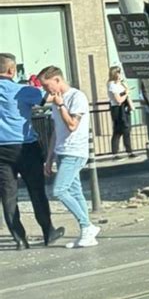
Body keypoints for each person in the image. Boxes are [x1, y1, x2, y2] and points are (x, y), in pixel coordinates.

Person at [0, 53, 64, 250]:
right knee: (36, 191)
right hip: (25, 146)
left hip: (1, 149)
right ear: (12, 70)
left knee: (8, 195)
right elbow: (48, 98)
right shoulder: (23, 90)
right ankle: (48, 232)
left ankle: (19, 238)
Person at [38, 65, 100, 249]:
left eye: (47, 85)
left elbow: (72, 125)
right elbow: (57, 132)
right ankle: (87, 232)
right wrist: (49, 158)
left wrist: (61, 105)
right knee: (75, 191)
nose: (46, 90)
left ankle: (87, 225)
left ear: (57, 80)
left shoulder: (76, 97)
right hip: (62, 151)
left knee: (59, 191)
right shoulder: (58, 100)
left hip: (75, 151)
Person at [107, 66, 135, 160]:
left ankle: (129, 150)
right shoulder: (112, 85)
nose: (120, 74)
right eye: (118, 72)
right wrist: (126, 93)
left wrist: (125, 86)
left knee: (126, 129)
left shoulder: (120, 84)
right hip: (117, 109)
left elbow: (126, 92)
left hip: (124, 108)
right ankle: (116, 152)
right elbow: (118, 100)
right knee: (119, 130)